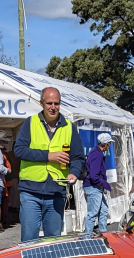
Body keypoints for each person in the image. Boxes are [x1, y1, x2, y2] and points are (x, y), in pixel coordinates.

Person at [13, 87, 85, 242]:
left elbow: (78, 157)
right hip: (30, 191)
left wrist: (74, 172)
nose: (53, 107)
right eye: (49, 103)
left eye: (57, 103)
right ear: (41, 103)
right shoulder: (30, 123)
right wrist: (48, 156)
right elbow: (19, 150)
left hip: (57, 191)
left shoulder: (69, 127)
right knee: (29, 241)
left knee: (53, 242)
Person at [84, 133, 112, 235]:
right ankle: (87, 237)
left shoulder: (94, 152)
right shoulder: (98, 155)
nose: (109, 146)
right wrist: (101, 183)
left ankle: (104, 234)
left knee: (104, 210)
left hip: (93, 186)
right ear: (106, 144)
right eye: (109, 143)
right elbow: (94, 175)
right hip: (93, 187)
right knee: (92, 213)